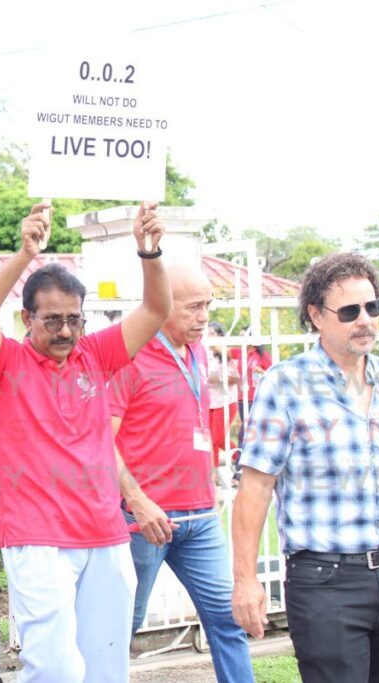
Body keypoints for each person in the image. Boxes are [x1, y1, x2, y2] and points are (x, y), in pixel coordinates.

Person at [231, 253, 379, 682]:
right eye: (349, 311)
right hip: (327, 582)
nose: (365, 320)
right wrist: (245, 581)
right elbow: (256, 488)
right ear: (316, 316)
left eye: (372, 307)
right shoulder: (285, 386)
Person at [0, 201, 171, 682]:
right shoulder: (5, 363)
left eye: (74, 319)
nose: (65, 331)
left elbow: (158, 309)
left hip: (104, 534)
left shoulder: (95, 354)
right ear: (26, 318)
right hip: (37, 540)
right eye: (51, 320)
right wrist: (24, 254)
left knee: (106, 670)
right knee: (54, 668)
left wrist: (150, 251)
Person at [109, 264, 253, 681]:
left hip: (201, 518)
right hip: (144, 521)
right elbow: (102, 439)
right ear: (161, 304)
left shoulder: (198, 349)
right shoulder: (130, 353)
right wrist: (136, 501)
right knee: (122, 627)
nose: (204, 316)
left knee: (229, 622)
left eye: (208, 305)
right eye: (193, 307)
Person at [207, 321, 240, 470]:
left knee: (218, 438)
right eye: (206, 333)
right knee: (209, 440)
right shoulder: (204, 352)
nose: (208, 336)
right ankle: (211, 473)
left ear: (220, 335)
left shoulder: (228, 353)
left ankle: (241, 461)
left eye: (212, 333)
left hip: (225, 401)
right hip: (209, 401)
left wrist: (219, 378)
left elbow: (237, 378)